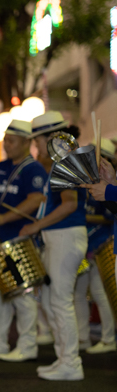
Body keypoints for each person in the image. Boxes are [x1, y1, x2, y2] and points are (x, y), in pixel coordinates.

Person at [0, 120, 47, 361]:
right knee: (1, 296)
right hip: (0, 241)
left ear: (26, 142)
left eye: (11, 141)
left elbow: (36, 200)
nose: (6, 145)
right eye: (5, 140)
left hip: (20, 240)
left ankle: (27, 345)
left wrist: (2, 218)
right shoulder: (1, 167)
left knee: (23, 296)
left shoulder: (33, 169)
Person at [20, 111, 87, 381]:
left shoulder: (64, 161)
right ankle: (65, 359)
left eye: (36, 141)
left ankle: (71, 362)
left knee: (60, 301)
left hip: (65, 235)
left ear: (50, 138)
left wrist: (36, 225)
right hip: (60, 236)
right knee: (52, 300)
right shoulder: (62, 161)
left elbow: (70, 204)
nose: (35, 147)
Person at [73, 139, 116, 354]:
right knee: (79, 292)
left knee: (101, 293)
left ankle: (109, 338)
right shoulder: (85, 183)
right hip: (84, 247)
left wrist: (88, 218)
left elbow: (109, 216)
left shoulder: (105, 184)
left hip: (101, 246)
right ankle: (82, 338)